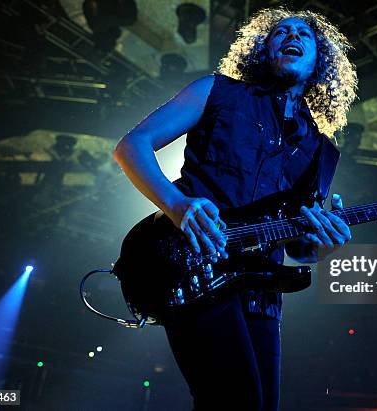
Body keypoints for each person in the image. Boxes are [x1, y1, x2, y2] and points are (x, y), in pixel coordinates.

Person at [113, 7, 357, 411]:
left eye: (304, 34)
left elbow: (299, 246)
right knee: (233, 401)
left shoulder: (322, 151)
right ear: (262, 50)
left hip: (261, 291)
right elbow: (131, 146)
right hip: (191, 262)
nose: (291, 35)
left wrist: (323, 243)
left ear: (320, 62)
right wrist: (176, 205)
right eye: (280, 32)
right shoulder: (216, 91)